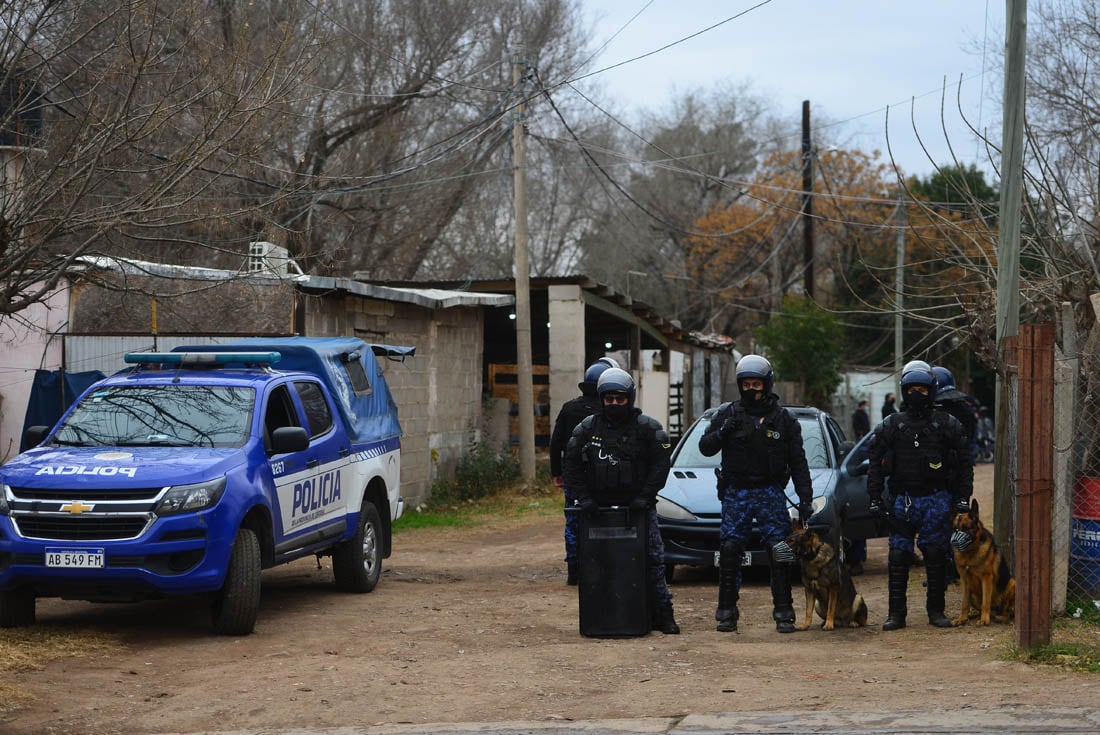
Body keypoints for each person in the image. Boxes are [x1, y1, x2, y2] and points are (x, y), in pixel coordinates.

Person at [698, 354, 813, 634]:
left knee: (780, 550)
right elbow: (705, 447)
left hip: (770, 491)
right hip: (737, 491)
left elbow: (798, 461)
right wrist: (723, 432)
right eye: (746, 384)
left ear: (768, 384)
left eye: (757, 384)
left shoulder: (784, 419)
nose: (752, 389)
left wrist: (805, 498)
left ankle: (784, 611)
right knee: (729, 550)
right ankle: (726, 612)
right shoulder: (728, 414)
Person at [562, 367, 680, 634]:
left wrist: (645, 497)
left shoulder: (647, 429)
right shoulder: (587, 428)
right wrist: (585, 499)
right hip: (596, 511)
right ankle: (602, 616)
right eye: (609, 399)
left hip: (638, 509)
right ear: (602, 399)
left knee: (654, 561)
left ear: (630, 398)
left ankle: (663, 614)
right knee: (596, 564)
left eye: (620, 399)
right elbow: (570, 464)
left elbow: (661, 465)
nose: (614, 404)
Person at [865, 363, 974, 630]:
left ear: (932, 391)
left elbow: (964, 462)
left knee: (936, 554)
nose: (917, 394)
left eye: (922, 389)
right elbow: (874, 461)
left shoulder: (946, 424)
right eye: (912, 389)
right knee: (898, 555)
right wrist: (875, 498)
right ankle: (896, 614)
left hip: (935, 498)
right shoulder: (891, 425)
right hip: (902, 499)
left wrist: (962, 498)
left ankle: (936, 611)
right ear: (904, 391)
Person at [549, 357, 619, 585]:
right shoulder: (613, 409)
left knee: (574, 521)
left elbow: (555, 443)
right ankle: (605, 567)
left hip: (574, 477)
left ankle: (574, 570)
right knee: (606, 520)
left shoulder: (569, 409)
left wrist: (556, 473)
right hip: (606, 477)